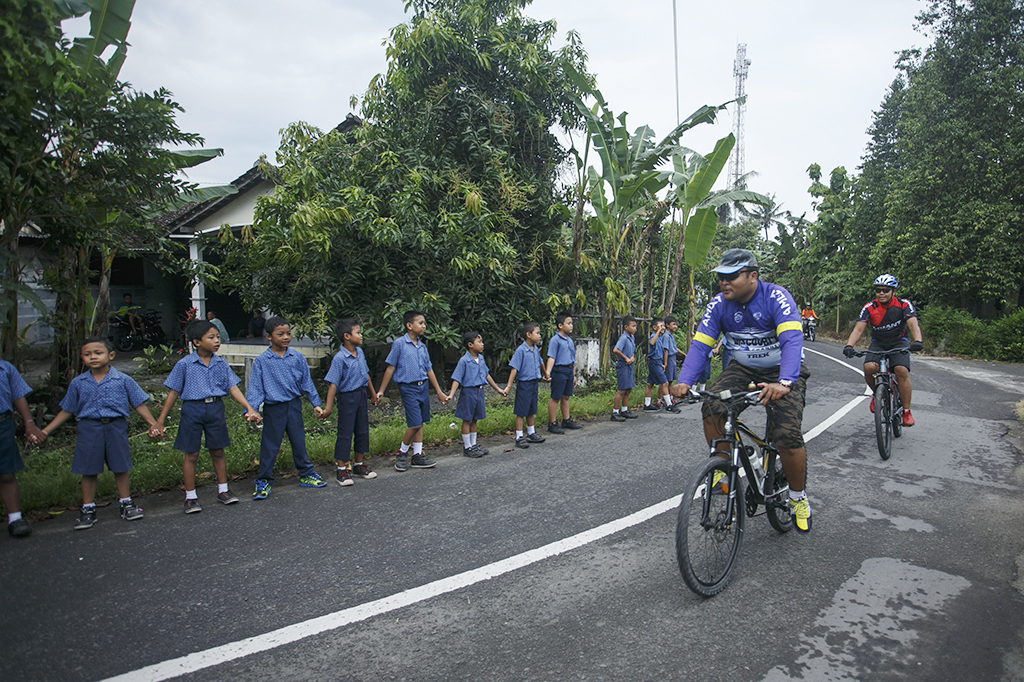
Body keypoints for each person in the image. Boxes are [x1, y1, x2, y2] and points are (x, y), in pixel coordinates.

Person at [670, 248, 813, 534]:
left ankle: (798, 497)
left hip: (781, 371)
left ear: (752, 276)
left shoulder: (776, 297)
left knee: (786, 435)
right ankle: (722, 473)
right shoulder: (718, 305)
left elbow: (791, 341)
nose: (724, 283)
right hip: (743, 369)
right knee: (711, 405)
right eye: (721, 277)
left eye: (732, 277)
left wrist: (785, 382)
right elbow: (700, 346)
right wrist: (685, 380)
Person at [38, 337, 158, 529]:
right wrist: (46, 430)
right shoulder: (78, 383)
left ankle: (126, 503)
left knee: (120, 466)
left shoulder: (123, 379)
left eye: (97, 353)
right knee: (88, 469)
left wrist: (153, 424)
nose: (93, 357)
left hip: (115, 427)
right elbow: (67, 410)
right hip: (88, 428)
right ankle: (88, 508)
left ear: (110, 355)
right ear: (82, 358)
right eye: (87, 354)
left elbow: (138, 403)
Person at [149, 320, 262, 512]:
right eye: (211, 337)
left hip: (215, 409)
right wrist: (159, 421)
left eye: (217, 337)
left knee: (218, 450)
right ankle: (190, 496)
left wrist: (249, 408)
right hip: (192, 410)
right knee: (191, 453)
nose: (217, 341)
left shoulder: (220, 363)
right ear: (196, 342)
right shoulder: (184, 364)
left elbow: (233, 388)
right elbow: (173, 393)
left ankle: (223, 490)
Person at [245, 316, 328, 499]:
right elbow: (256, 388)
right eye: (280, 334)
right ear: (268, 336)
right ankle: (264, 480)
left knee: (298, 441)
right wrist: (251, 410)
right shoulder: (262, 361)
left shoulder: (296, 357)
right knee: (270, 445)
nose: (285, 337)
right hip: (274, 409)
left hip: (294, 406)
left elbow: (306, 382)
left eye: (288, 333)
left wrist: (316, 404)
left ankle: (306, 474)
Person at [842, 274, 924, 426]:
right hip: (879, 342)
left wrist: (917, 341)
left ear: (893, 291)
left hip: (899, 342)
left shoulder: (903, 304)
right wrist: (849, 346)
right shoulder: (869, 307)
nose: (881, 293)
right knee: (869, 368)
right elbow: (859, 329)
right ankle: (877, 394)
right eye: (878, 290)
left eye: (885, 290)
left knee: (901, 370)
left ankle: (906, 412)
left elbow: (913, 325)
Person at [376, 310, 449, 472]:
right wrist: (381, 390)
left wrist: (438, 391)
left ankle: (417, 455)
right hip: (408, 388)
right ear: (409, 326)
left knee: (420, 422)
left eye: (424, 323)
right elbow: (390, 367)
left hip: (423, 387)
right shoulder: (399, 344)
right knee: (414, 423)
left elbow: (429, 370)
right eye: (420, 323)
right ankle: (402, 453)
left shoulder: (422, 347)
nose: (424, 326)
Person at [318, 319, 380, 486]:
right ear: (346, 336)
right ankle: (342, 469)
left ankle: (359, 464)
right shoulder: (340, 358)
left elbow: (365, 375)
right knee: (345, 432)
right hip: (347, 397)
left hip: (361, 396)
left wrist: (373, 395)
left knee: (362, 430)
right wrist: (328, 408)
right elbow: (333, 384)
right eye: (358, 333)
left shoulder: (359, 353)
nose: (361, 336)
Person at [446, 332, 509, 458]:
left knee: (475, 419)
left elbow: (486, 375)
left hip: (479, 392)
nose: (482, 344)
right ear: (470, 345)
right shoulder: (464, 361)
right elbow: (457, 378)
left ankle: (474, 444)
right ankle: (467, 447)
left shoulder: (480, 359)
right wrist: (451, 395)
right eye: (479, 342)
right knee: (467, 419)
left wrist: (498, 389)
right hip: (468, 392)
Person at [1, 360, 44, 537]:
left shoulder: (5, 368)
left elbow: (18, 396)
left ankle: (15, 518)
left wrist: (29, 423)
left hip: (2, 425)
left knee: (6, 473)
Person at [505, 322, 549, 449]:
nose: (539, 336)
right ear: (528, 335)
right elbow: (514, 368)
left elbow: (541, 362)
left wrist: (545, 374)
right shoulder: (521, 350)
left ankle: (531, 432)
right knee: (521, 410)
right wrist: (508, 386)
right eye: (537, 333)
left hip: (534, 382)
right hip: (524, 384)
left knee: (531, 409)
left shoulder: (535, 349)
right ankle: (519, 436)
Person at [544, 311, 582, 434]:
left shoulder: (570, 340)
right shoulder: (555, 340)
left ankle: (566, 420)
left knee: (566, 397)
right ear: (560, 325)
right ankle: (552, 423)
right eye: (568, 323)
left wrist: (574, 374)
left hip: (568, 371)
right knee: (555, 397)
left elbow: (572, 359)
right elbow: (551, 357)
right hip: (559, 371)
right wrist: (547, 372)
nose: (571, 326)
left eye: (572, 323)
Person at [611, 316, 640, 422]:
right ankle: (615, 412)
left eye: (635, 326)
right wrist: (626, 358)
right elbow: (616, 350)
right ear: (626, 327)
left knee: (628, 388)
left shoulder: (631, 337)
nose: (635, 328)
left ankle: (624, 410)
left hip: (629, 365)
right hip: (623, 365)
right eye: (633, 326)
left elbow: (632, 349)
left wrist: (631, 357)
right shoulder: (623, 338)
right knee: (621, 390)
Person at [663, 316, 685, 385]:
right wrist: (665, 363)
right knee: (668, 379)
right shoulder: (666, 336)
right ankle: (668, 395)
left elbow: (675, 348)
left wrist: (684, 354)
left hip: (673, 358)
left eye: (676, 324)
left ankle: (670, 395)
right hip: (669, 359)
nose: (675, 326)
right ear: (667, 325)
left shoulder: (671, 335)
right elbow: (666, 350)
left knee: (671, 379)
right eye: (673, 324)